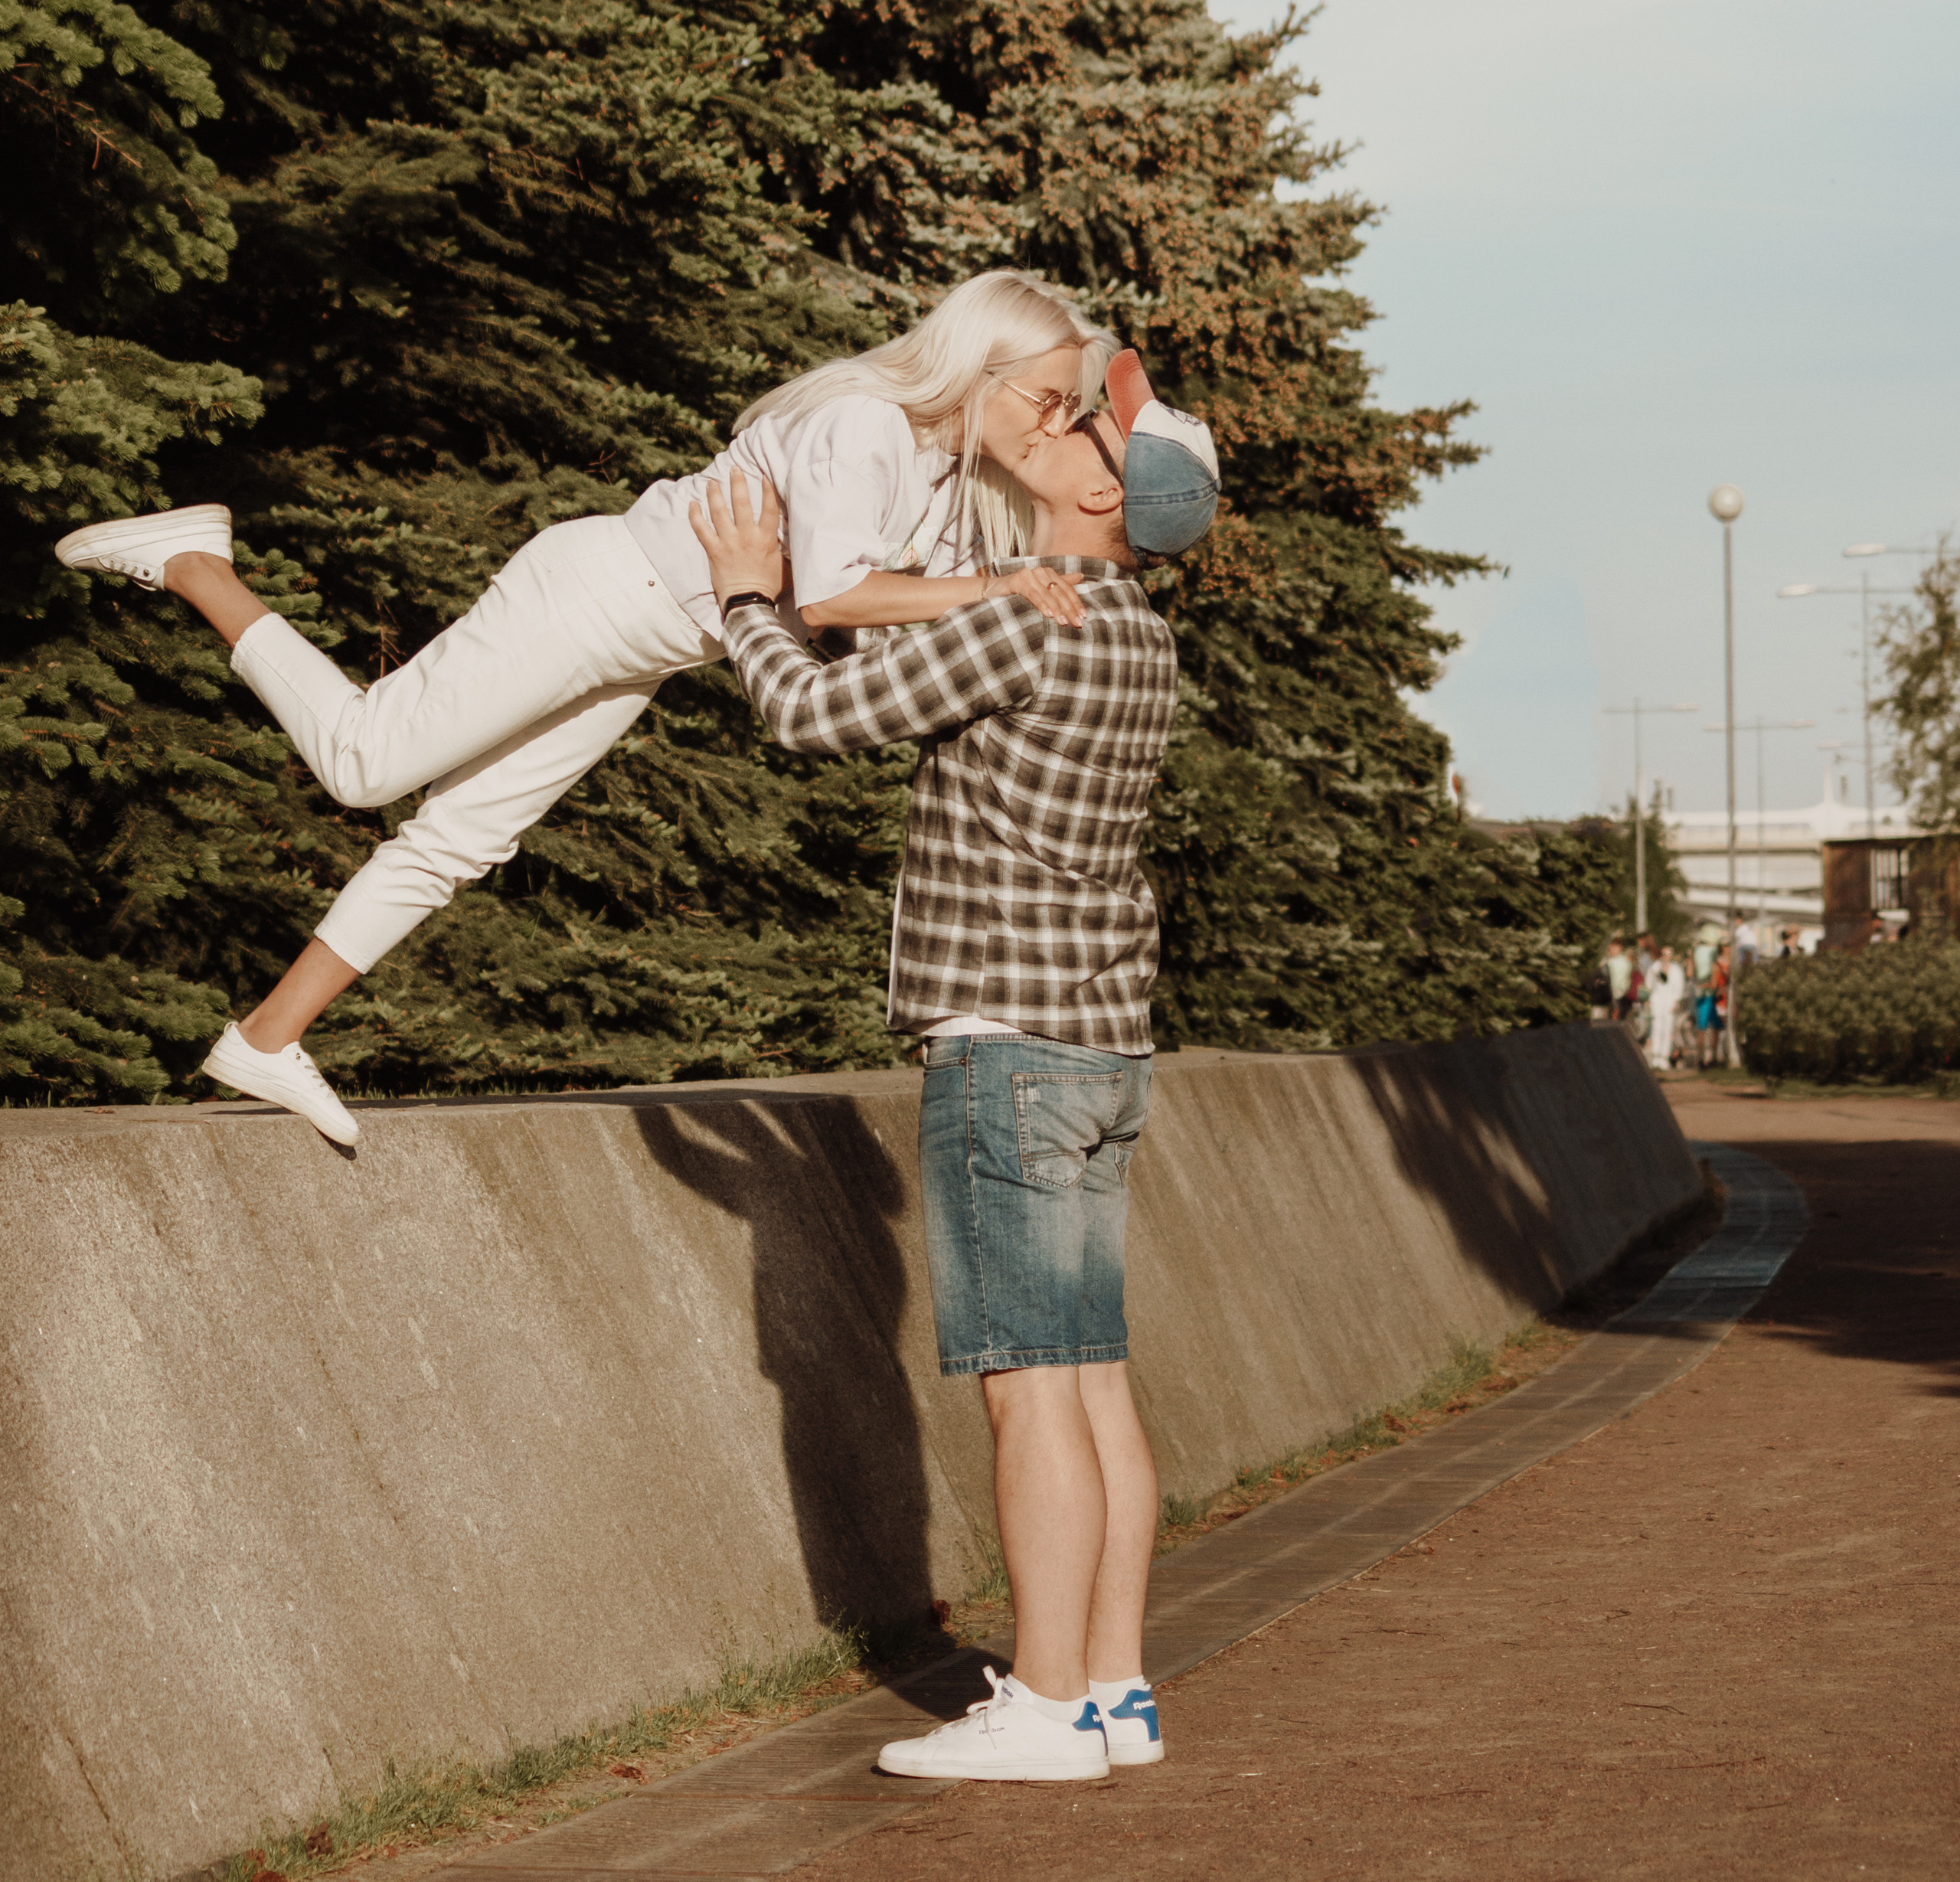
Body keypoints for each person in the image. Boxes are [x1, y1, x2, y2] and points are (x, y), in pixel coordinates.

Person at [51, 270, 1109, 1144]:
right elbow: (835, 598)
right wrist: (994, 587)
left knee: (461, 843)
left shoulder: (943, 478)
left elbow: (884, 618)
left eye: (1069, 406)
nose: (1056, 421)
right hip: (598, 592)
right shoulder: (865, 424)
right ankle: (195, 562)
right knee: (363, 762)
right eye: (1047, 399)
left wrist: (1010, 586)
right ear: (980, 371)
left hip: (644, 643)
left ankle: (266, 1039)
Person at [694, 346, 1219, 1786]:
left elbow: (809, 715)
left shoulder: (1032, 626)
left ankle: (1043, 1712)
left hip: (1007, 1049)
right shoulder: (1140, 635)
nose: (1065, 420)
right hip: (1103, 1048)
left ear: (1103, 494)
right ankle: (1113, 1689)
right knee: (1093, 1383)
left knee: (1027, 1390)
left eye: (1089, 425)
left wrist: (746, 596)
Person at [1644, 946, 1686, 1073]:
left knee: (1667, 1029)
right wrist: (1649, 1000)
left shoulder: (1676, 970)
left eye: (1669, 954)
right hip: (1657, 1000)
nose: (1666, 956)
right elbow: (1649, 984)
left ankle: (1665, 1057)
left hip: (1670, 1001)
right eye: (1664, 954)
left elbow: (1679, 987)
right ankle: (1655, 1057)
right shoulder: (1655, 967)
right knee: (1656, 1027)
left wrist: (1676, 1001)